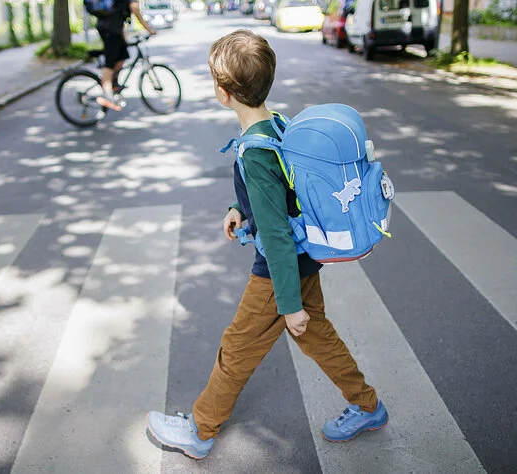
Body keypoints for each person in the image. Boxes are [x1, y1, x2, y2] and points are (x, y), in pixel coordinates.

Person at [145, 29, 389, 461]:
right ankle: (367, 405)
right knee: (318, 336)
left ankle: (199, 431)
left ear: (223, 93)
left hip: (279, 271)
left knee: (237, 348)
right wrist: (239, 209)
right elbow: (283, 196)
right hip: (306, 259)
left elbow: (275, 233)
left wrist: (288, 302)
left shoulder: (255, 153)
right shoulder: (278, 123)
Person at [95, 0, 157, 111]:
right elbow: (134, 8)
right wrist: (149, 29)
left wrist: (124, 39)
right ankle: (107, 94)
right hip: (109, 30)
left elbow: (120, 15)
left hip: (114, 30)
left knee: (122, 56)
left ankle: (113, 84)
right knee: (110, 63)